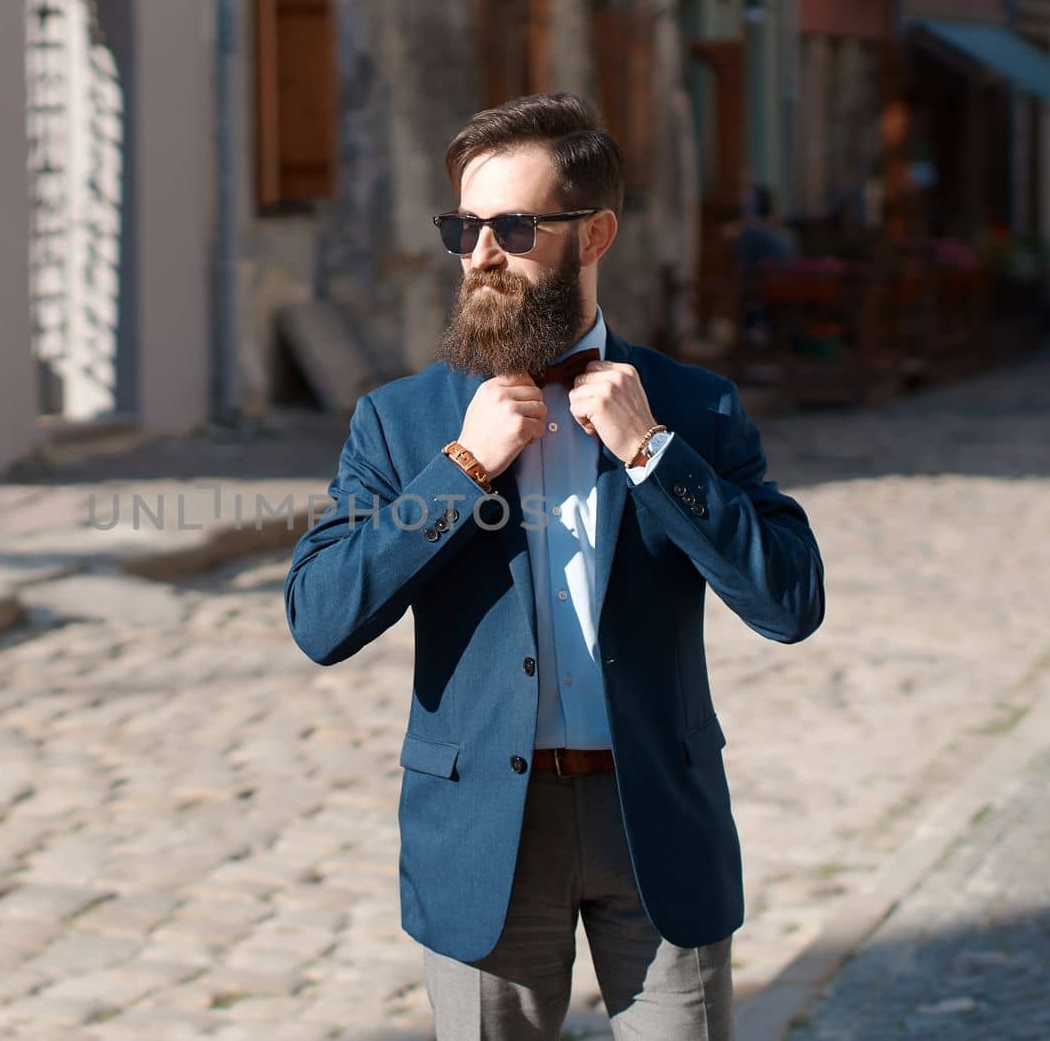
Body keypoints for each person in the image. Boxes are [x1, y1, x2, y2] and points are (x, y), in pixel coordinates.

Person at [283, 93, 825, 1040]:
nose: (481, 253)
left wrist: (653, 452)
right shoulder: (401, 419)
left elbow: (789, 599)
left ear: (595, 232)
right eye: (465, 226)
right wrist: (460, 469)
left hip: (653, 818)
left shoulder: (693, 409)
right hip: (486, 832)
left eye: (514, 226)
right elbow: (322, 616)